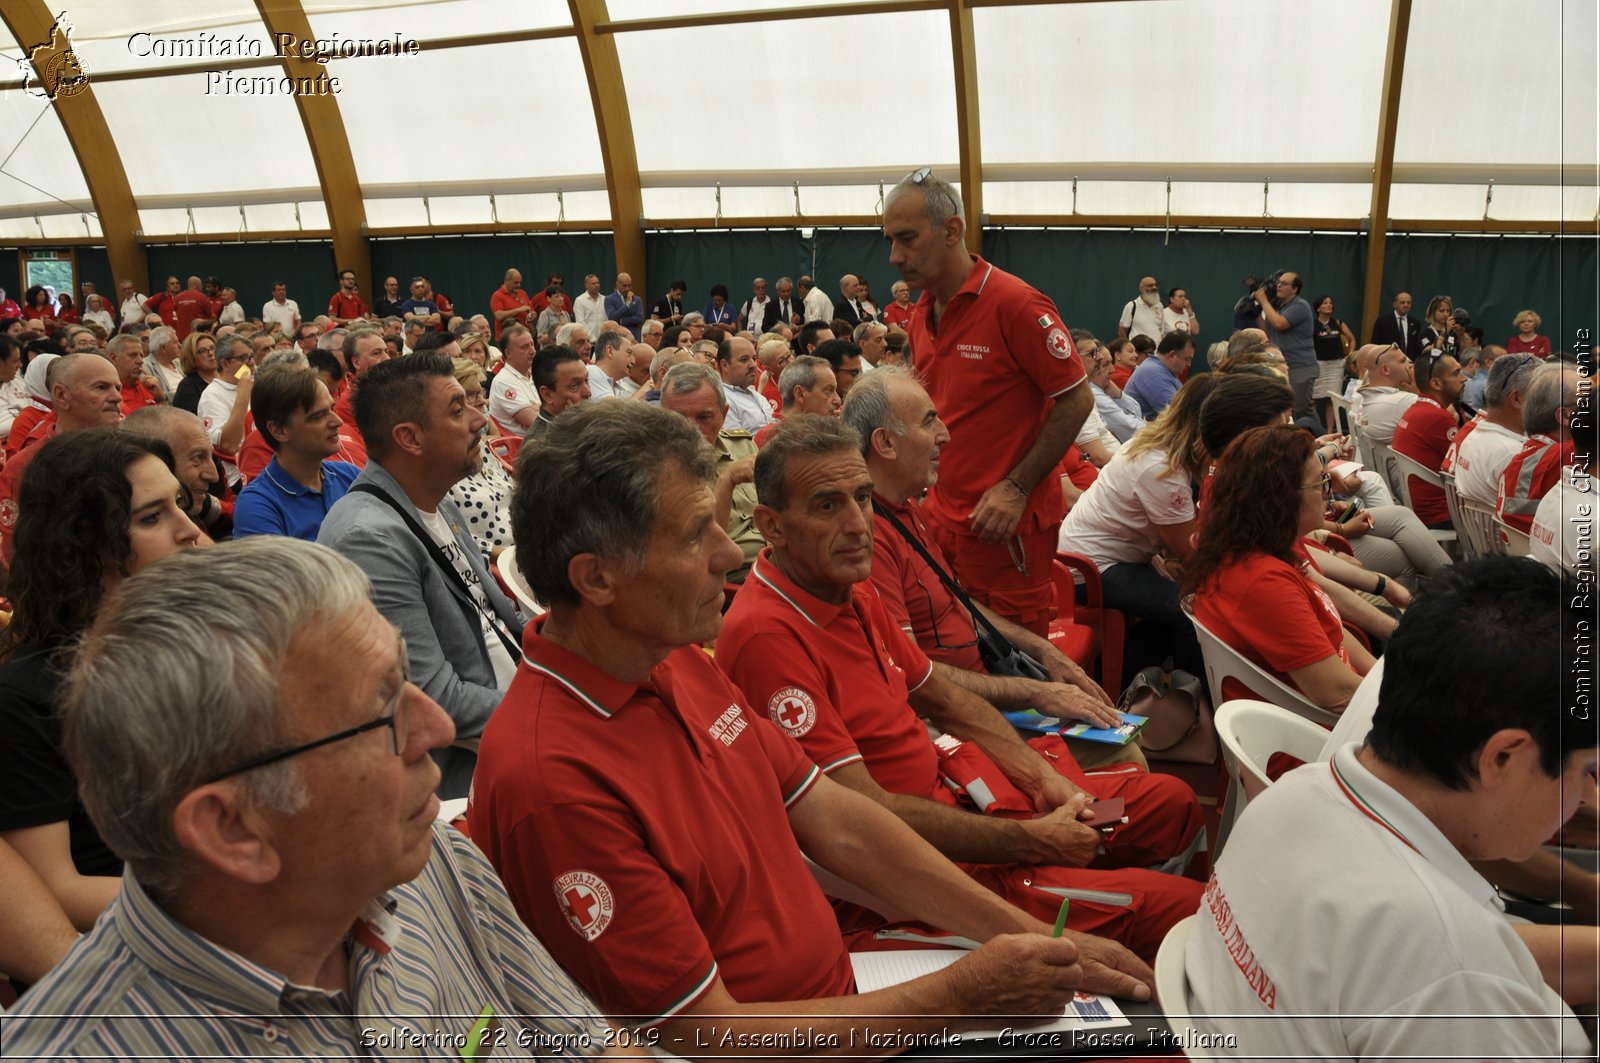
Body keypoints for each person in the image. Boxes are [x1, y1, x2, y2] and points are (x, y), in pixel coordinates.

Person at [469, 400, 1126, 1048]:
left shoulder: (672, 657)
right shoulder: (553, 780)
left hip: (849, 995)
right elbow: (706, 1035)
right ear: (598, 578)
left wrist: (1031, 933)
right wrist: (961, 996)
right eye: (697, 533)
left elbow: (836, 818)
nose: (729, 552)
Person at [3, 537, 615, 1059]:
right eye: (381, 710)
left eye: (403, 675)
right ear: (233, 828)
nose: (437, 729)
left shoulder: (423, 858)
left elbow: (589, 1044)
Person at [720, 415, 1203, 964]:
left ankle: (1104, 895)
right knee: (1184, 910)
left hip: (969, 799)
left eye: (862, 497)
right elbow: (863, 821)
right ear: (772, 525)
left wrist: (1040, 779)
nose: (859, 524)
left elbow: (947, 701)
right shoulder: (768, 636)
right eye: (828, 506)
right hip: (926, 870)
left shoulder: (849, 590)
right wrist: (1035, 841)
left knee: (1171, 804)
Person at [1186, 557, 1597, 1060]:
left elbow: (1439, 964)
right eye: (1588, 771)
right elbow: (1449, 968)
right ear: (1503, 757)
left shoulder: (1299, 796)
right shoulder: (1450, 968)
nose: (1589, 799)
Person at [845, 370, 1138, 770]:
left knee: (1112, 731)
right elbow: (913, 679)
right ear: (885, 443)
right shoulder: (871, 537)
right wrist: (1032, 693)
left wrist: (1045, 653)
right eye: (930, 421)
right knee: (1123, 753)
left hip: (988, 698)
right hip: (954, 721)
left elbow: (964, 608)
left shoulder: (907, 509)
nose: (945, 435)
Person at [0, 429, 200, 936]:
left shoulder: (192, 646)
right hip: (133, 957)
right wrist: (242, 897)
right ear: (86, 547)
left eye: (180, 504)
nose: (189, 531)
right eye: (152, 517)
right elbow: (54, 891)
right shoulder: (27, 698)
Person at [884, 168, 1092, 637]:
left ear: (952, 230)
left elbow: (1076, 400)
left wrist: (1015, 489)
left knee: (1014, 666)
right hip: (942, 519)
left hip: (1003, 527)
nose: (894, 256)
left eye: (907, 239)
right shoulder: (920, 311)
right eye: (890, 241)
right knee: (956, 649)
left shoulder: (1015, 304)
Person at [318, 354, 524, 798]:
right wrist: (556, 712)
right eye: (457, 409)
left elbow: (504, 618)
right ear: (409, 438)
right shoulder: (369, 539)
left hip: (517, 709)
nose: (478, 419)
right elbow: (434, 698)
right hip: (469, 774)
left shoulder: (436, 499)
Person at [1184, 425, 1375, 712]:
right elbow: (1337, 693)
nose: (1327, 496)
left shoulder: (1257, 551)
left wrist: (1385, 676)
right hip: (1324, 738)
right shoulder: (1263, 581)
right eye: (1321, 483)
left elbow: (1330, 631)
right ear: (1281, 498)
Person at [658, 362, 764, 580]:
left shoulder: (742, 444)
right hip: (730, 582)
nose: (691, 430)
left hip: (778, 566)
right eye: (678, 418)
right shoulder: (656, 471)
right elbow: (704, 551)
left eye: (704, 417)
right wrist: (727, 480)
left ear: (724, 415)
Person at [232, 364, 360, 541]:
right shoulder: (257, 505)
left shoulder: (349, 475)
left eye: (332, 409)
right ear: (279, 430)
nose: (337, 421)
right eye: (318, 416)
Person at [1498, 363, 1584, 533]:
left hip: (1521, 552)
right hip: (1547, 556)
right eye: (1591, 401)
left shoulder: (1527, 453)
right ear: (1565, 416)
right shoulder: (1567, 454)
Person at [446, 358, 515, 563]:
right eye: (472, 395)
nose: (482, 401)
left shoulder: (479, 445)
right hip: (501, 565)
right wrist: (511, 560)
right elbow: (451, 537)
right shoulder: (437, 465)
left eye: (481, 392)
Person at [1450, 352, 1538, 505]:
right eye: (1540, 393)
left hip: (1470, 528)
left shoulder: (1471, 435)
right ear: (1517, 399)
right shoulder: (1515, 455)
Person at [1391, 348, 1465, 528]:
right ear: (1436, 384)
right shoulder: (1437, 417)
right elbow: (1466, 466)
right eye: (1456, 374)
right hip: (1440, 513)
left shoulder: (1418, 408)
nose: (1464, 378)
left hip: (1420, 508)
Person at [1253, 271, 1316, 421]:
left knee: (1301, 408)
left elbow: (1279, 324)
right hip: (1283, 366)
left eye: (1284, 283)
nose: (1279, 285)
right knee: (1286, 408)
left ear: (1294, 289)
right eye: (1278, 283)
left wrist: (1263, 301)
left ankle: (1319, 436)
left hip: (1300, 366)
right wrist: (1256, 311)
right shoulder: (1279, 308)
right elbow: (1267, 332)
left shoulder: (1300, 305)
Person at [1123, 331, 1194, 421]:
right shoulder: (1153, 372)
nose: (1189, 364)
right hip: (1144, 432)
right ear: (1172, 355)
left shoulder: (1164, 370)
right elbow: (1179, 416)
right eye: (1187, 359)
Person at [526, 344, 592, 439]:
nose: (588, 392)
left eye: (586, 380)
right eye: (574, 385)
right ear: (547, 395)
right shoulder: (539, 444)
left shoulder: (583, 424)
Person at [1311, 294, 1355, 432]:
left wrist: (1349, 356)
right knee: (1314, 399)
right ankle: (1313, 429)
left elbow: (1352, 339)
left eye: (1331, 302)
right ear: (1318, 308)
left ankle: (1330, 431)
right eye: (1325, 303)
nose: (1329, 305)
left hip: (1336, 365)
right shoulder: (1313, 325)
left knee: (1332, 399)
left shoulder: (1338, 323)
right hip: (1319, 365)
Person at [1369, 290, 1423, 359]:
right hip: (1388, 361)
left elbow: (1416, 347)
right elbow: (1375, 344)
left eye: (1408, 303)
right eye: (1402, 302)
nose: (1406, 305)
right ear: (1395, 304)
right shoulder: (1383, 321)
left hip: (1408, 362)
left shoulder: (1415, 323)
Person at [1116, 277, 1166, 342]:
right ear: (1141, 289)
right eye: (1150, 285)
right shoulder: (1132, 306)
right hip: (1138, 350)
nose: (1154, 288)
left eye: (1155, 285)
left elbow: (1161, 331)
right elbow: (1122, 332)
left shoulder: (1159, 306)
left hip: (1156, 350)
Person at [603, 272, 644, 340]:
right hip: (618, 338)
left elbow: (639, 318)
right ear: (617, 284)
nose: (627, 288)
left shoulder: (637, 299)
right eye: (624, 286)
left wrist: (622, 321)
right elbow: (612, 317)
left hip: (634, 336)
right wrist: (627, 305)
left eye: (629, 286)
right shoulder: (609, 299)